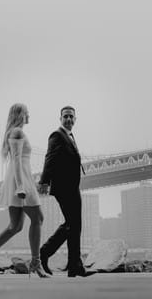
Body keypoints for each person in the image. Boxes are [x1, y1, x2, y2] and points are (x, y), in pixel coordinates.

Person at [0, 103, 50, 278]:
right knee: (38, 218)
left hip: (20, 178)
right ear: (20, 115)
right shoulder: (17, 132)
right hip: (20, 180)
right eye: (27, 113)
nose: (29, 115)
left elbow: (19, 160)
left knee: (15, 226)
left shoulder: (15, 132)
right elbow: (16, 160)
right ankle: (36, 263)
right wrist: (21, 186)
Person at [37, 105, 93, 277]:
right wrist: (44, 181)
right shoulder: (57, 135)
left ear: (75, 120)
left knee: (74, 225)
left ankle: (74, 265)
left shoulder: (70, 136)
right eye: (65, 116)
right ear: (60, 119)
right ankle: (45, 253)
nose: (68, 119)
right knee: (72, 224)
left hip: (72, 187)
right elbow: (50, 157)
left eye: (71, 117)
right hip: (64, 187)